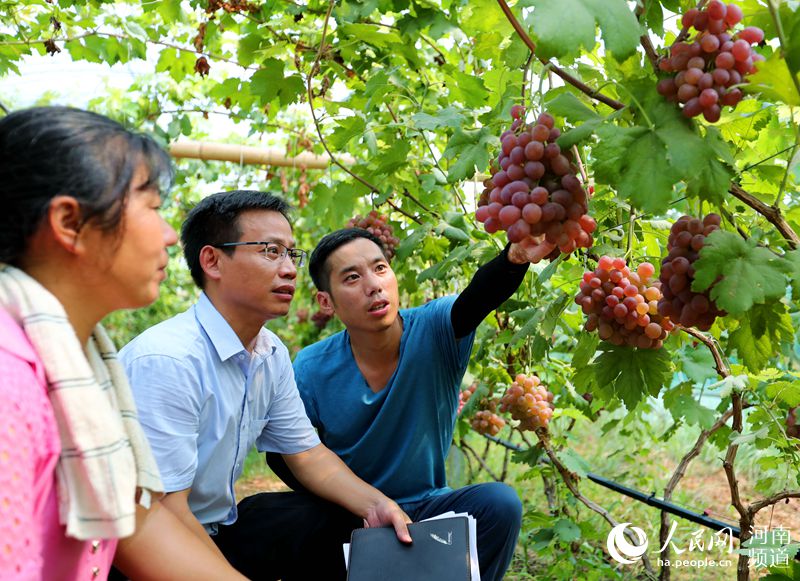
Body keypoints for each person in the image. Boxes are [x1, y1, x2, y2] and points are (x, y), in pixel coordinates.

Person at [0, 106, 246, 580]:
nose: (172, 236)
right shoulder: (10, 385)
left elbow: (138, 524)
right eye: (152, 207)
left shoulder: (78, 365)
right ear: (70, 223)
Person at [119, 190, 411, 580]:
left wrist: (377, 504)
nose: (290, 269)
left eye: (291, 254)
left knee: (338, 518)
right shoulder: (168, 361)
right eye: (271, 251)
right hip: (141, 544)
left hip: (216, 528)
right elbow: (164, 512)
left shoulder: (269, 353)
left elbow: (307, 454)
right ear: (212, 261)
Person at [288, 227, 557, 581]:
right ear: (327, 302)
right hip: (352, 514)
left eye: (380, 268)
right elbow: (291, 455)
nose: (373, 285)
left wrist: (515, 258)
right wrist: (357, 502)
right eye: (352, 277)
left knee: (499, 504)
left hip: (429, 509)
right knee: (281, 519)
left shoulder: (435, 329)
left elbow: (477, 298)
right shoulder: (310, 367)